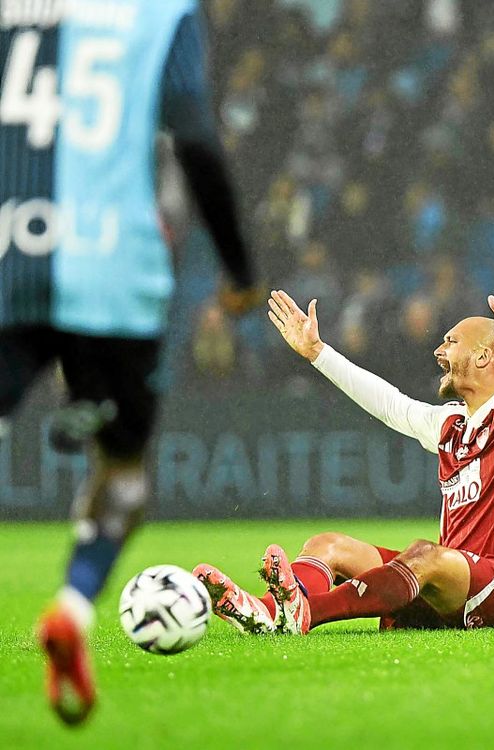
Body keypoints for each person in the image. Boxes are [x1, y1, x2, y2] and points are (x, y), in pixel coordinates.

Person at [0, 1, 260, 724]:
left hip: (8, 261)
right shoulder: (162, 12)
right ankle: (73, 607)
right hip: (112, 268)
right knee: (123, 474)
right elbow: (196, 141)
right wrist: (239, 268)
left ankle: (76, 394)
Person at [193, 288, 494, 635]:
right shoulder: (451, 422)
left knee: (425, 555)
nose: (439, 351)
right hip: (450, 586)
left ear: (482, 356)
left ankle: (304, 612)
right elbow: (389, 404)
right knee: (328, 544)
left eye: (451, 342)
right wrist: (318, 352)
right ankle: (265, 612)